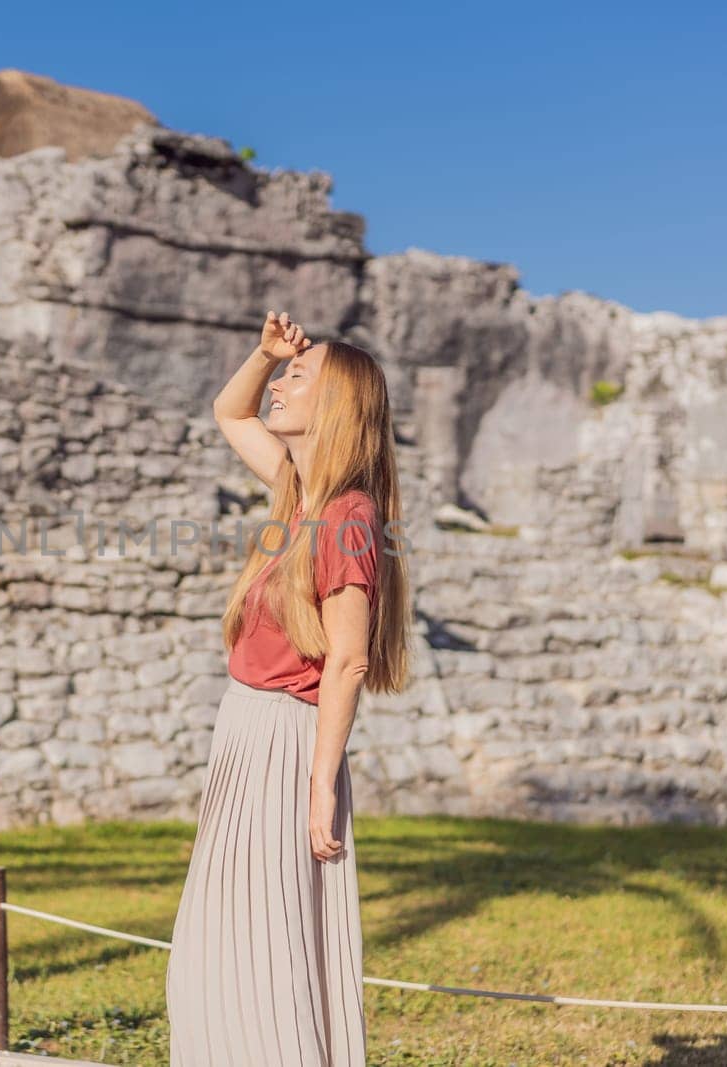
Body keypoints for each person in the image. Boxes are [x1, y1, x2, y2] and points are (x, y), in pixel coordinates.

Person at [166, 310, 412, 1066]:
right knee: (214, 946)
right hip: (244, 731)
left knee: (263, 947)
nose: (280, 381)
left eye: (298, 375)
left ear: (335, 406)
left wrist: (318, 783)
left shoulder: (346, 514)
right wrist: (264, 351)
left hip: (287, 742)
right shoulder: (296, 490)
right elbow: (228, 410)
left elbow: (346, 660)